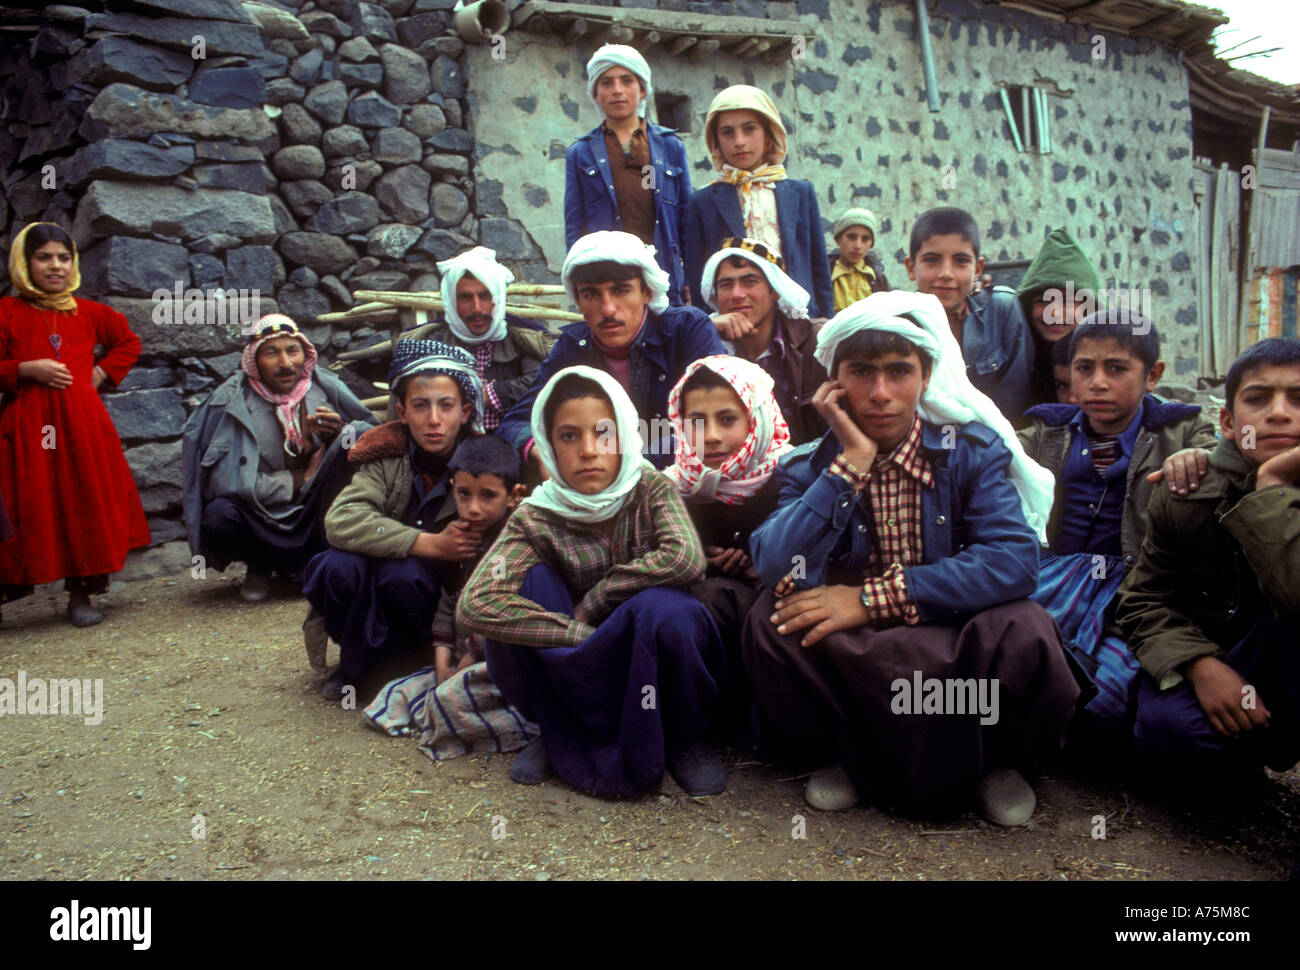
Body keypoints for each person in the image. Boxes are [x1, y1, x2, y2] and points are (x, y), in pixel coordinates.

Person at [743, 291, 1077, 823]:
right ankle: (847, 757)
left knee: (1025, 626)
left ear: (925, 378)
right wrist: (849, 465)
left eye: (899, 371)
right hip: (859, 649)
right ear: (835, 386)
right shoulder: (809, 466)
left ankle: (999, 763)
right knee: (769, 619)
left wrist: (875, 598)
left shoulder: (970, 451)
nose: (879, 393)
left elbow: (1014, 561)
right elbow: (773, 565)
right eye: (860, 372)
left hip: (948, 632)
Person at [458, 366, 727, 797]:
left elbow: (686, 558)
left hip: (647, 666)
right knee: (525, 588)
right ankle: (556, 726)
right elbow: (476, 603)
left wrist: (601, 597)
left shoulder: (650, 488)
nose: (588, 450)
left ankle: (683, 734)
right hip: (573, 663)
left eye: (604, 433)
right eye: (568, 436)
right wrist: (579, 631)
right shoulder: (536, 516)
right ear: (547, 446)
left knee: (669, 611)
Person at [1016, 312, 1218, 725]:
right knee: (1007, 654)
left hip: (1133, 589)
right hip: (1052, 575)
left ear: (1152, 375)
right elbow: (996, 453)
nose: (1098, 383)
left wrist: (1198, 458)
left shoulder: (1181, 430)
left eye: (1117, 368)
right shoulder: (1047, 430)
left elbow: (1222, 454)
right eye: (1084, 368)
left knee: (1107, 696)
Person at [1115, 337, 1300, 787]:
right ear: (1229, 422)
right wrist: (1200, 665)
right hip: (1235, 660)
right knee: (1167, 729)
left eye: (1298, 398)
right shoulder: (1188, 494)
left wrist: (1273, 482)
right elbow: (1141, 599)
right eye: (1258, 399)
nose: (1278, 412)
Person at [302, 340, 484, 700]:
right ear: (402, 412)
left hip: (439, 601)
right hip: (378, 577)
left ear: (464, 413)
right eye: (420, 406)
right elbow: (342, 520)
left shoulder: (480, 465)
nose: (433, 419)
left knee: (404, 576)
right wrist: (429, 543)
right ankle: (358, 663)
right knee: (334, 567)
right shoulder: (385, 456)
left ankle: (411, 664)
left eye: (445, 406)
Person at [0, 221, 150, 627]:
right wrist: (24, 369)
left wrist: (100, 373)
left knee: (83, 498)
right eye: (43, 257)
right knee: (27, 501)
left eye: (63, 258)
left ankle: (82, 592)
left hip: (81, 424)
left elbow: (128, 342)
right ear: (23, 263)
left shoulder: (90, 313)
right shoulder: (7, 312)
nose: (55, 266)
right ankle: (9, 589)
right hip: (29, 427)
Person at [363, 434, 537, 762]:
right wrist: (443, 663)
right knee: (395, 694)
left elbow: (500, 611)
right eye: (464, 494)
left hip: (496, 663)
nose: (473, 508)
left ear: (514, 496)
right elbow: (448, 602)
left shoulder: (516, 542)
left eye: (488, 496)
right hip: (459, 663)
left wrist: (467, 661)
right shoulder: (457, 537)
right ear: (452, 487)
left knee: (451, 700)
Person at [182, 314, 376, 602]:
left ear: (305, 353)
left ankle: (325, 564)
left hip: (317, 509)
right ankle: (259, 566)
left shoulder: (326, 390)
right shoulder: (231, 404)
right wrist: (299, 479)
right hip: (261, 513)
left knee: (356, 436)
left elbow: (371, 444)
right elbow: (221, 484)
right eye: (272, 352)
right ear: (254, 359)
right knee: (220, 516)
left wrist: (339, 435)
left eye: (292, 350)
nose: (285, 364)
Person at [496, 231, 725, 471]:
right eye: (591, 294)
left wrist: (626, 462)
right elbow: (515, 423)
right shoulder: (572, 348)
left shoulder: (687, 329)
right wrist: (540, 451)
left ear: (646, 292)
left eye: (620, 290)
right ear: (579, 301)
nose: (607, 309)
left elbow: (714, 420)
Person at [666, 354, 790, 745]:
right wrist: (699, 558)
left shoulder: (793, 475)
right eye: (696, 423)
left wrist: (769, 569)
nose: (712, 437)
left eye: (728, 419)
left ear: (757, 418)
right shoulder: (674, 485)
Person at [684, 85, 833, 317]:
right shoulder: (702, 202)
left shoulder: (800, 193)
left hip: (798, 318)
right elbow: (697, 278)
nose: (739, 141)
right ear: (715, 140)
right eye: (727, 132)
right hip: (736, 322)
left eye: (749, 129)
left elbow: (819, 269)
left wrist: (825, 322)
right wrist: (711, 328)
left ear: (769, 135)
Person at [564, 45, 691, 305]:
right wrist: (580, 282)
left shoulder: (670, 147)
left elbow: (685, 219)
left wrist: (689, 276)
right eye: (607, 83)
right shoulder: (582, 153)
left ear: (642, 90)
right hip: (608, 279)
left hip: (664, 272)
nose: (617, 90)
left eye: (627, 81)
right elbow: (575, 226)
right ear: (596, 94)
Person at [396, 247, 554, 431]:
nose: (477, 308)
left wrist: (494, 395)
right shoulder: (428, 343)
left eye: (485, 296)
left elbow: (544, 381)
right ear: (450, 301)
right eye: (465, 297)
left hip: (513, 446)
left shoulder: (524, 339)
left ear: (499, 298)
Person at [904, 206, 1032, 423]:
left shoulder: (1002, 310)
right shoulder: (897, 322)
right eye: (932, 260)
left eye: (961, 261)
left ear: (978, 268)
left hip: (992, 445)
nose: (946, 273)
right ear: (910, 267)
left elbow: (1014, 400)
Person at [699, 237, 828, 444]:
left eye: (750, 282)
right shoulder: (702, 347)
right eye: (726, 284)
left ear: (775, 290)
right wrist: (704, 332)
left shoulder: (818, 343)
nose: (737, 294)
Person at [1015, 228, 1104, 412]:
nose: (1054, 313)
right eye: (1042, 301)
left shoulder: (1116, 356)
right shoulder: (1016, 358)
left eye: (1068, 301)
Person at [828, 207, 892, 313]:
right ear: (838, 240)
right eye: (851, 237)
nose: (858, 245)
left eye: (865, 239)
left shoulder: (877, 278)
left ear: (871, 244)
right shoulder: (824, 275)